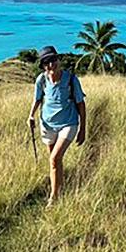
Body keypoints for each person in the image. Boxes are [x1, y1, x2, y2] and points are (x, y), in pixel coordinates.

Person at [27, 46, 86, 206]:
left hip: (68, 123)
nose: (50, 65)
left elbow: (81, 104)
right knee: (54, 161)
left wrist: (82, 129)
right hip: (47, 124)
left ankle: (53, 198)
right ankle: (59, 188)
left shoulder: (71, 79)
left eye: (53, 60)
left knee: (54, 158)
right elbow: (38, 99)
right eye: (46, 62)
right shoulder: (41, 80)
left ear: (58, 60)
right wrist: (31, 115)